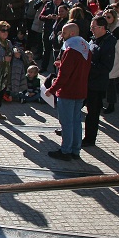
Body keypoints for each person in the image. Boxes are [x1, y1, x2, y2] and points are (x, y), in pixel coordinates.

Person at [45, 23, 91, 161]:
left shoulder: (70, 50)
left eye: (64, 33)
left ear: (71, 34)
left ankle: (65, 151)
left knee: (66, 123)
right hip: (81, 90)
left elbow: (64, 75)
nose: (62, 36)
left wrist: (51, 90)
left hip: (68, 91)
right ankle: (75, 150)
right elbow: (78, 68)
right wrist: (62, 64)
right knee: (76, 121)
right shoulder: (85, 47)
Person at [83, 16, 116, 148]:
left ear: (102, 28)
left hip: (96, 84)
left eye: (93, 27)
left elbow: (106, 67)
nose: (91, 30)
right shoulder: (94, 40)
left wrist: (87, 66)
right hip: (88, 81)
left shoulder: (108, 44)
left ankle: (90, 139)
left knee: (93, 113)